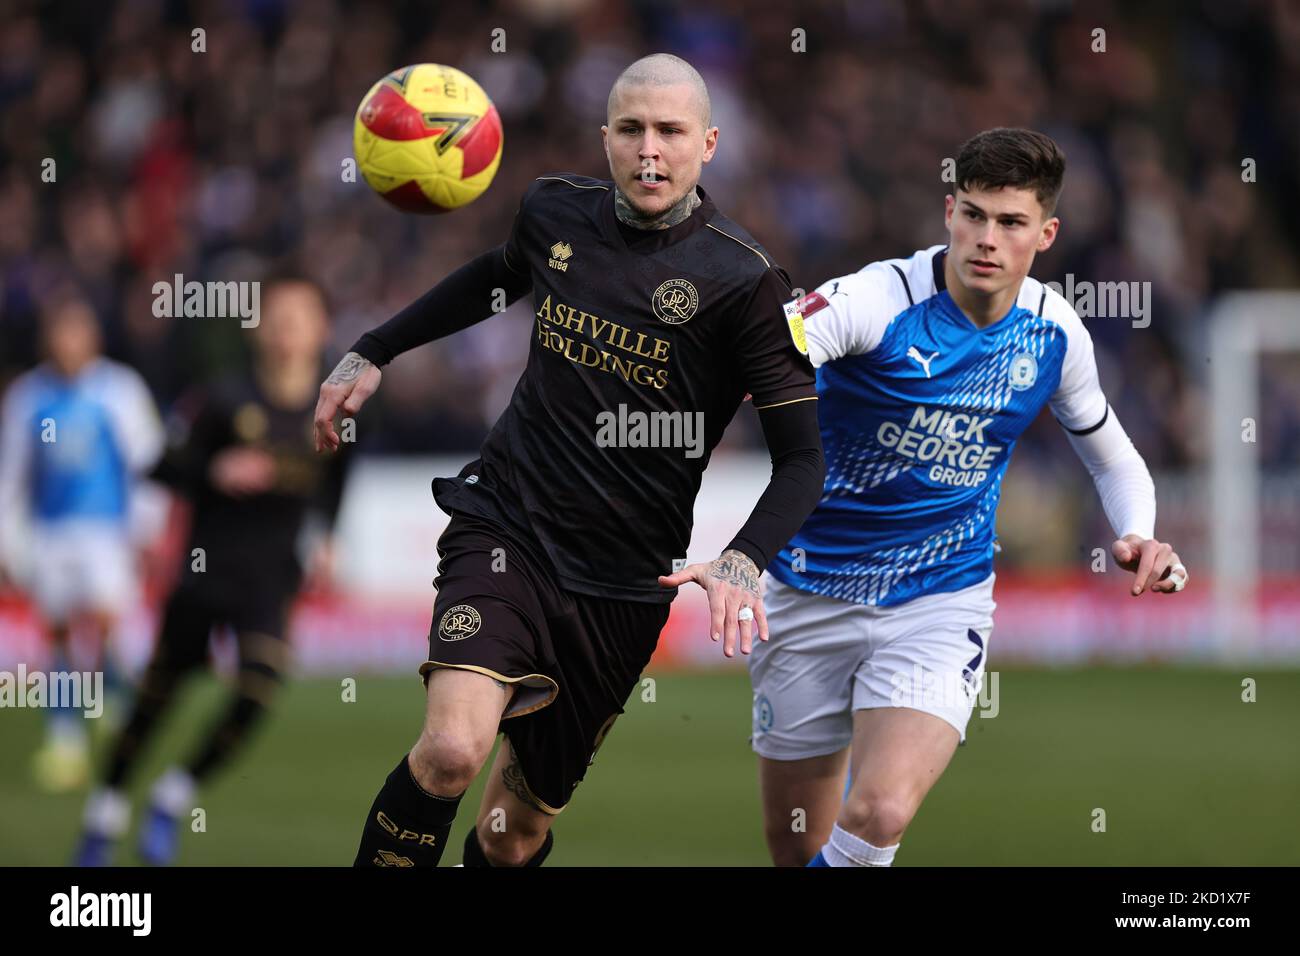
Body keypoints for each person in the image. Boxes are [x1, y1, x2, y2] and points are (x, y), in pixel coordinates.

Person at [315, 53, 825, 867]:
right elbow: (494, 278)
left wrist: (743, 559)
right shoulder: (555, 211)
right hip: (507, 523)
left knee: (512, 837)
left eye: (670, 132)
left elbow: (804, 458)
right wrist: (375, 350)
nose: (649, 151)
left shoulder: (747, 281)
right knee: (451, 749)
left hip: (622, 585)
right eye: (631, 130)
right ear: (606, 138)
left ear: (710, 143)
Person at [753, 128, 1190, 867]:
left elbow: (1115, 459)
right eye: (975, 215)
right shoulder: (877, 298)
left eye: (1012, 222)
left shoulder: (1054, 333)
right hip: (807, 589)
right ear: (950, 212)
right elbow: (769, 346)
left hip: (939, 599)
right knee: (798, 848)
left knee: (880, 811)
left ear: (1045, 233)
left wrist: (1139, 533)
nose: (988, 238)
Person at [75, 276, 348, 865]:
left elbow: (336, 481)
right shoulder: (223, 397)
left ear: (322, 327)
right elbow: (162, 467)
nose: (287, 328)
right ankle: (106, 811)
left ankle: (174, 795)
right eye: (277, 315)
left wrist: (327, 535)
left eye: (300, 315)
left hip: (272, 576)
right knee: (156, 700)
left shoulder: (337, 408)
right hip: (205, 570)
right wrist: (215, 469)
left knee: (259, 688)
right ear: (257, 326)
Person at [0, 295, 163, 792]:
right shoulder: (28, 396)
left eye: (77, 332)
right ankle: (65, 739)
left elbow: (147, 460)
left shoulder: (118, 390)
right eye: (59, 332)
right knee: (57, 634)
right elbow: (13, 473)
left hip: (105, 531)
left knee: (112, 625)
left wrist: (146, 528)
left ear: (93, 337)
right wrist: (9, 540)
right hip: (51, 532)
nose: (68, 343)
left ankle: (119, 714)